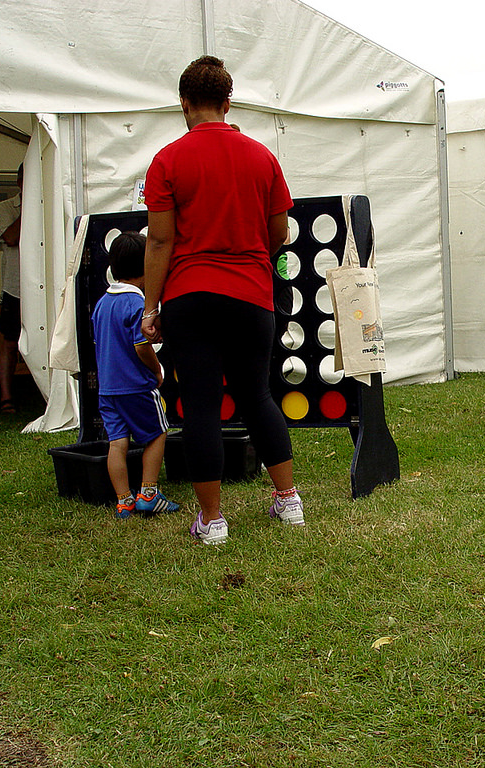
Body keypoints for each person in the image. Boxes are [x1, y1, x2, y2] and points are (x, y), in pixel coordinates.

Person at [141, 55, 301, 545]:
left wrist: (151, 308)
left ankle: (212, 522)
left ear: (184, 104)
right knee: (258, 396)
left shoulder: (168, 160)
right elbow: (279, 230)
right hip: (251, 295)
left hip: (191, 296)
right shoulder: (262, 157)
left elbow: (160, 241)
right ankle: (289, 501)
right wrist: (251, 260)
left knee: (203, 407)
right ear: (228, 103)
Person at [92, 232, 181, 519]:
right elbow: (141, 345)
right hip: (137, 386)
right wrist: (156, 370)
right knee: (158, 433)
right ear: (147, 266)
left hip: (108, 390)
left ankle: (123, 501)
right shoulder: (137, 304)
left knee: (117, 443)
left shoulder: (102, 304)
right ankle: (149, 494)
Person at [0, 163, 23, 414]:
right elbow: (12, 237)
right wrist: (30, 208)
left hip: (46, 289)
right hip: (16, 288)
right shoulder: (4, 209)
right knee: (10, 343)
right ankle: (6, 397)